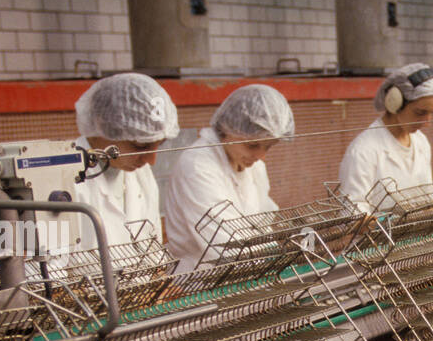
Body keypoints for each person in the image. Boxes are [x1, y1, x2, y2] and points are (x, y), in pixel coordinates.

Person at [163, 84, 296, 276]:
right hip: (201, 284)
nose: (261, 155)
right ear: (227, 130)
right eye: (252, 145)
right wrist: (276, 265)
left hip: (248, 275)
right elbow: (225, 246)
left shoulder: (254, 164)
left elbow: (262, 224)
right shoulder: (197, 166)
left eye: (268, 147)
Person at [69, 73, 180, 258]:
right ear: (103, 126)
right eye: (140, 146)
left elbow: (153, 254)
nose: (151, 161)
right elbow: (50, 278)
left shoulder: (140, 173)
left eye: (158, 146)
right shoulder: (63, 179)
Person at [338, 63, 433, 213]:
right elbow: (352, 213)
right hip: (382, 236)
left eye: (432, 113)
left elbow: (430, 201)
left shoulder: (421, 142)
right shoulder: (363, 151)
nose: (427, 123)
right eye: (420, 113)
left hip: (419, 236)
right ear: (394, 102)